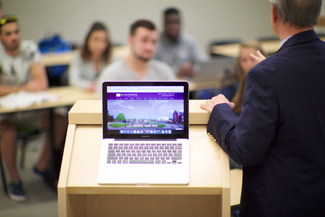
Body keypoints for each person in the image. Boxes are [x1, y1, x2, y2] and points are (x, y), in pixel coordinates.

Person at [201, 0, 325, 216]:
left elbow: (244, 150)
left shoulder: (265, 74)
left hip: (280, 206)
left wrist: (220, 109)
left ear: (274, 13)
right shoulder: (270, 72)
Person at [0, 15, 50, 202]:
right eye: (8, 33)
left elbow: (41, 83)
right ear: (0, 37)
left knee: (60, 118)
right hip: (5, 114)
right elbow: (31, 85)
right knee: (8, 131)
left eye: (16, 32)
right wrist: (22, 88)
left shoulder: (29, 48)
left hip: (29, 109)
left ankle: (43, 165)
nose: (14, 37)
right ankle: (14, 179)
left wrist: (8, 90)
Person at [98, 19, 175, 96]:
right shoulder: (112, 75)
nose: (149, 47)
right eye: (144, 40)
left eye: (154, 42)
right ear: (130, 40)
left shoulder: (164, 73)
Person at [155, 7, 207, 78]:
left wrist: (193, 69)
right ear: (164, 24)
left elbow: (204, 63)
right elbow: (152, 68)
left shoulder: (189, 41)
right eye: (170, 23)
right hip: (165, 85)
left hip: (188, 85)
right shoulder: (155, 42)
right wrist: (177, 71)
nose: (174, 26)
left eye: (176, 22)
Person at [220, 40, 266, 114]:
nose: (248, 64)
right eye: (244, 60)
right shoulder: (231, 76)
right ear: (239, 61)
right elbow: (222, 105)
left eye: (253, 59)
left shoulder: (268, 77)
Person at [69, 22, 113, 91]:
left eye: (104, 40)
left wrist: (98, 84)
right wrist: (88, 85)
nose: (100, 44)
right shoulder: (78, 57)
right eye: (96, 39)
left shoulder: (112, 58)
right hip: (84, 94)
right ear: (88, 40)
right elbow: (74, 80)